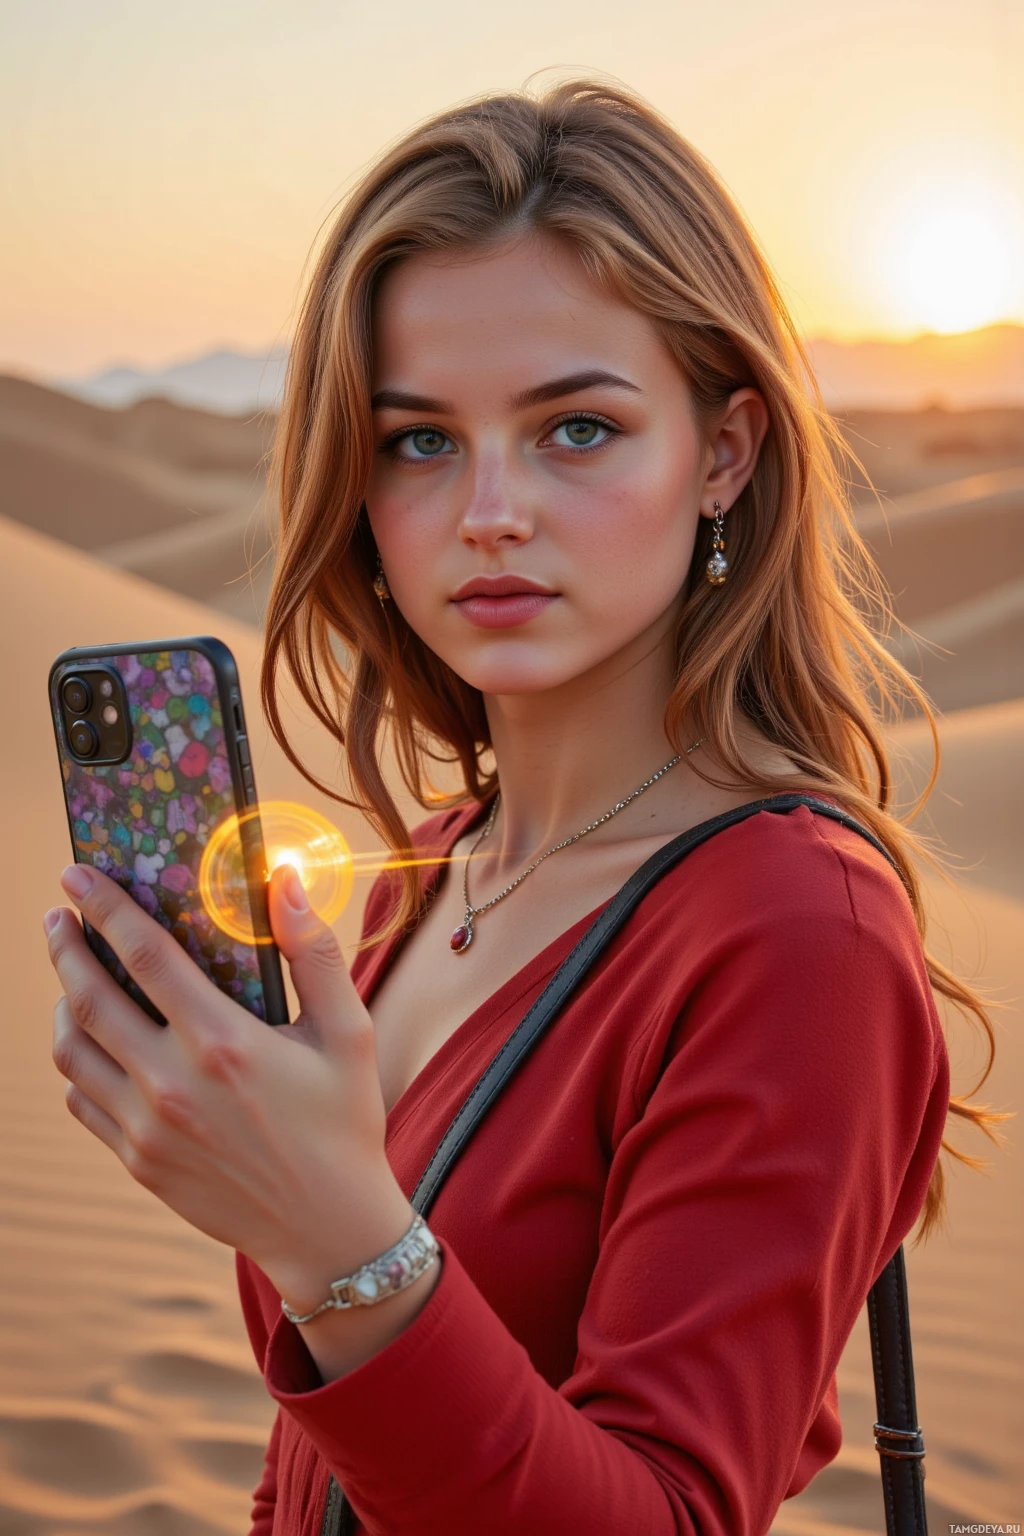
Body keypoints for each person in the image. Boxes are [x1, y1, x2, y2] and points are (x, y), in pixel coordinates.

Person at [46, 79, 1005, 1536]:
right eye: (420, 441)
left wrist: (339, 1246)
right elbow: (315, 1467)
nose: (489, 509)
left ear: (725, 453)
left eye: (577, 429)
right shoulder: (425, 874)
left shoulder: (794, 932)